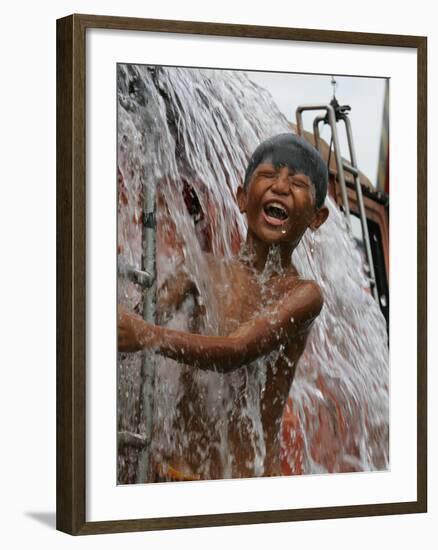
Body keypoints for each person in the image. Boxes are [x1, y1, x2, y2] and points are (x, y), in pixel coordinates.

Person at [118, 133, 329, 481]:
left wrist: (147, 335)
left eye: (298, 183)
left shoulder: (303, 295)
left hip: (245, 486)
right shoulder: (199, 270)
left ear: (317, 217)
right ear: (242, 198)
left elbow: (236, 351)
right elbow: (132, 325)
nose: (280, 187)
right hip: (173, 473)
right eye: (268, 176)